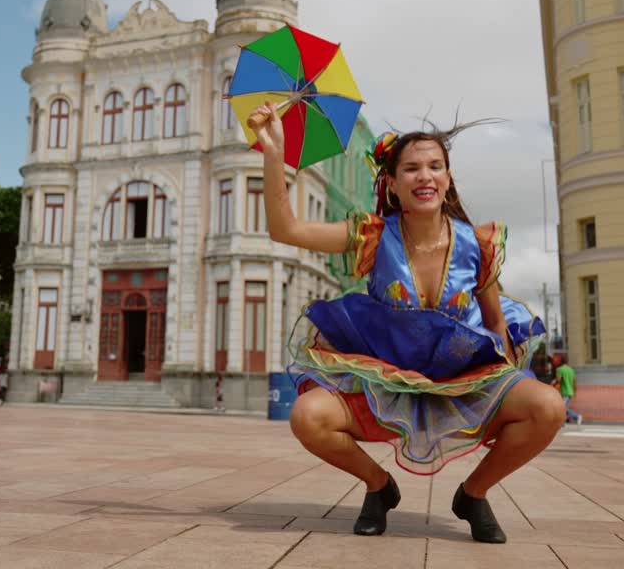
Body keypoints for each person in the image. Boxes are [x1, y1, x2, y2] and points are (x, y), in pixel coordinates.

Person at [247, 102, 564, 543]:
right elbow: (287, 231)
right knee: (307, 417)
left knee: (548, 408)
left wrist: (502, 392)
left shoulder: (479, 244)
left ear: (448, 179)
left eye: (436, 166)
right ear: (392, 185)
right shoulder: (372, 237)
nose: (425, 175)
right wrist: (273, 153)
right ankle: (379, 487)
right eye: (412, 168)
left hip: (462, 379)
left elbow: (495, 324)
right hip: (385, 382)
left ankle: (473, 494)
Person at [555, 355, 581, 426]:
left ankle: (577, 416)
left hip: (564, 392)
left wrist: (554, 381)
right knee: (565, 408)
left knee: (563, 408)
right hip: (570, 392)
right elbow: (575, 381)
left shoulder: (560, 369)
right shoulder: (571, 370)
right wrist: (575, 392)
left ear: (561, 361)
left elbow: (558, 380)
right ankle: (563, 422)